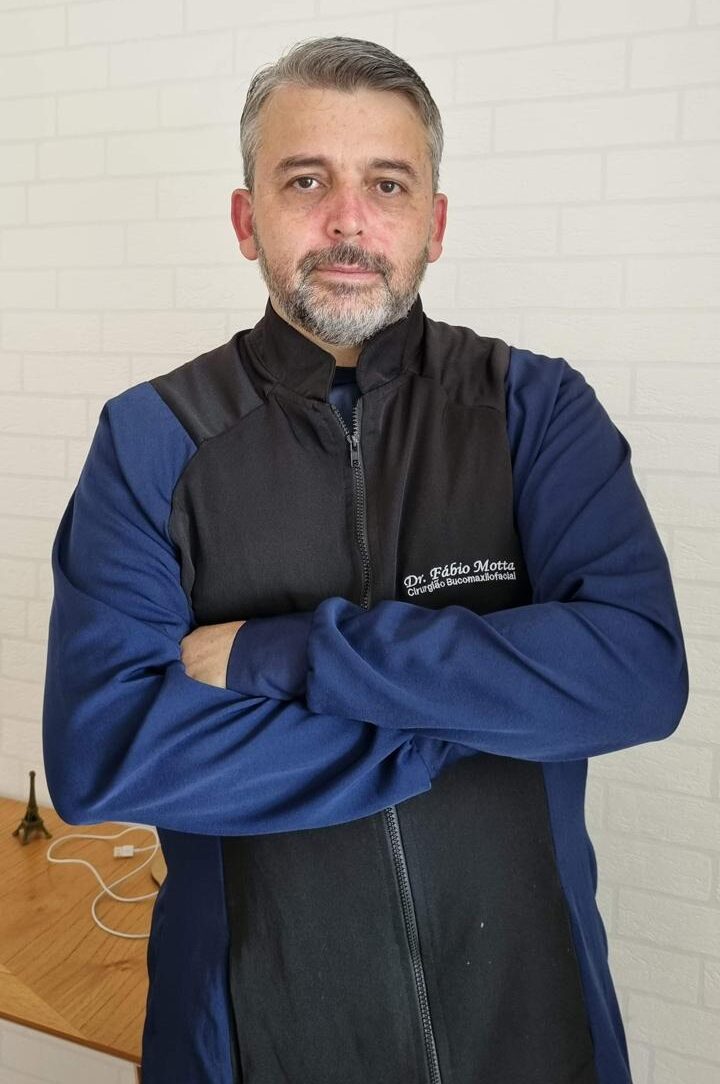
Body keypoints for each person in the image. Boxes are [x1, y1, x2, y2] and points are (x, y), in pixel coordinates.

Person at [42, 35, 688, 1084]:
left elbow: (637, 676)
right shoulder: (151, 439)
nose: (348, 219)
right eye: (307, 181)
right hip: (246, 1043)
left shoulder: (535, 410)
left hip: (534, 1031)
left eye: (387, 184)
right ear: (247, 219)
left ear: (434, 221)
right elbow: (107, 754)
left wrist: (286, 656)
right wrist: (473, 718)